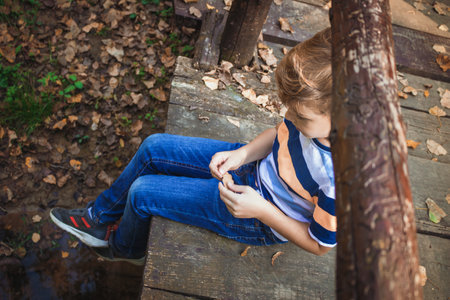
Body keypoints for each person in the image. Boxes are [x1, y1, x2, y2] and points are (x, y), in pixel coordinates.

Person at [50, 27, 336, 266]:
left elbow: (320, 244)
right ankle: (97, 218)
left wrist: (260, 209)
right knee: (153, 147)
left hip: (260, 216)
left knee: (142, 194)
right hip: (255, 167)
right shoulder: (307, 118)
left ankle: (124, 247)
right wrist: (242, 154)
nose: (289, 116)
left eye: (301, 116)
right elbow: (279, 133)